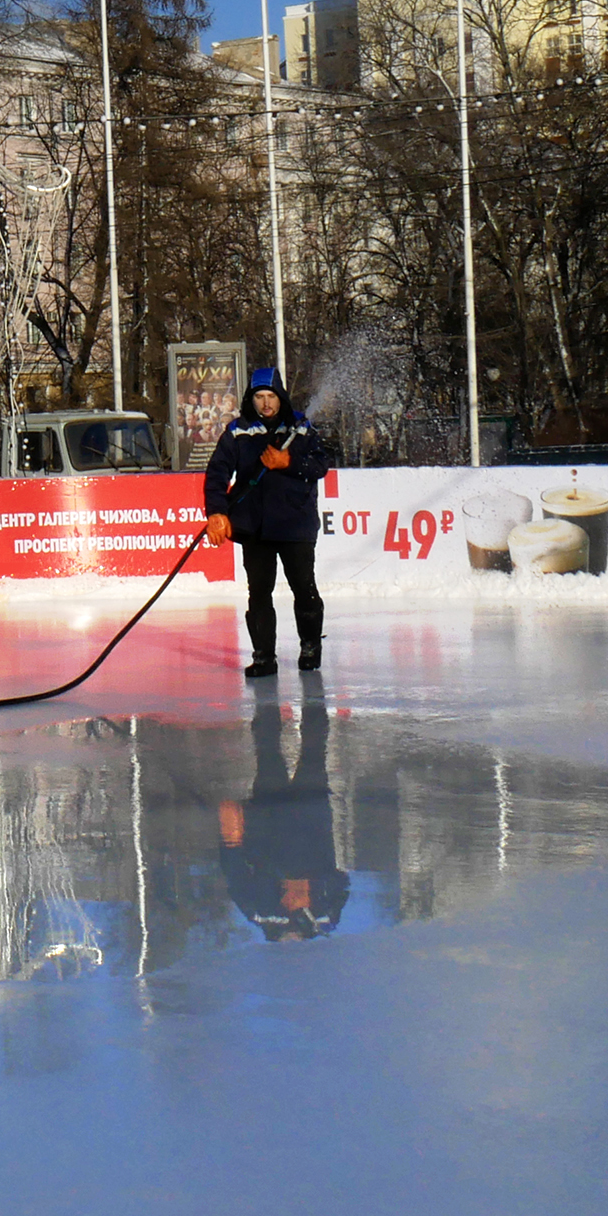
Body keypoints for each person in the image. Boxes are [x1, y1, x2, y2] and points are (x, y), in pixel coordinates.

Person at [201, 364, 329, 679]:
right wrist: (217, 511)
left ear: (281, 397)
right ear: (251, 398)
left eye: (271, 396)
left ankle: (310, 648)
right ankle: (264, 657)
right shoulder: (238, 431)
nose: (266, 403)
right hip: (254, 527)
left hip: (295, 524)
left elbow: (321, 464)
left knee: (304, 587)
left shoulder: (301, 427)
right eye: (259, 396)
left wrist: (289, 462)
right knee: (259, 593)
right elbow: (217, 473)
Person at [218, 683, 349, 940]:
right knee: (313, 751)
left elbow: (234, 873)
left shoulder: (260, 913)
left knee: (268, 754)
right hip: (311, 819)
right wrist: (309, 884)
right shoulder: (325, 917)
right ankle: (313, 694)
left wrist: (231, 837)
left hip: (269, 817)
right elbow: (341, 883)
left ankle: (266, 693)